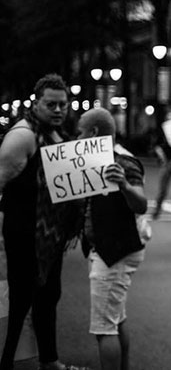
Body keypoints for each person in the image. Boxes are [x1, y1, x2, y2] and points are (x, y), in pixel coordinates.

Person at [0, 74, 85, 370]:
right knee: (21, 302)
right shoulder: (22, 136)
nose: (59, 110)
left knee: (48, 297)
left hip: (49, 236)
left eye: (63, 104)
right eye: (51, 104)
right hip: (24, 234)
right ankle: (6, 361)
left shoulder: (55, 135)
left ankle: (50, 361)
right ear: (36, 103)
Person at [76, 108, 147, 370]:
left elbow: (141, 204)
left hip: (114, 252)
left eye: (81, 133)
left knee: (104, 327)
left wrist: (125, 186)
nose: (78, 138)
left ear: (93, 133)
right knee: (115, 319)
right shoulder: (96, 159)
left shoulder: (123, 163)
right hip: (109, 249)